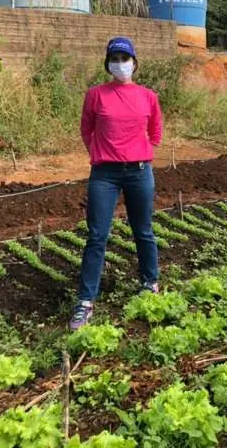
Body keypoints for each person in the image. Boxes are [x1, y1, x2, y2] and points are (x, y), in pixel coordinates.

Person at [69, 36, 164, 331]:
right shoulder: (96, 95)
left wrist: (138, 152)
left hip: (139, 172)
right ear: (108, 64)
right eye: (115, 59)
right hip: (104, 175)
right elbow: (87, 130)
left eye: (125, 59)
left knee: (143, 230)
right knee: (97, 235)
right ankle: (86, 301)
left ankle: (150, 283)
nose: (120, 64)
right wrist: (101, 154)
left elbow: (156, 131)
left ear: (134, 63)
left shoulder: (148, 96)